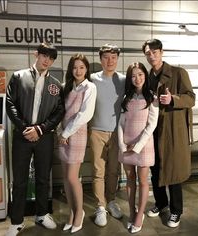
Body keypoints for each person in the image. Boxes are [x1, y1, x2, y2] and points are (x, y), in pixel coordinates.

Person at [6, 43, 65, 236]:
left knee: (42, 178)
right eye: (44, 56)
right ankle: (16, 221)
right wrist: (24, 128)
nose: (47, 60)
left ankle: (42, 214)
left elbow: (59, 111)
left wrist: (40, 129)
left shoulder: (56, 84)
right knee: (20, 180)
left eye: (51, 58)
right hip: (22, 136)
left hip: (44, 137)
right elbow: (10, 103)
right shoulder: (18, 77)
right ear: (36, 54)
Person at [142, 39, 195, 228]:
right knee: (155, 170)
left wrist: (173, 98)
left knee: (173, 171)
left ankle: (176, 211)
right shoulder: (148, 77)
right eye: (148, 53)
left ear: (161, 52)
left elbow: (191, 98)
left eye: (154, 52)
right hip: (154, 130)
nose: (151, 56)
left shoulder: (178, 73)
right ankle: (161, 203)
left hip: (173, 130)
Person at [118, 62, 159, 233]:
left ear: (145, 76)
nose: (137, 78)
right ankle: (132, 211)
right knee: (129, 179)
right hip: (126, 144)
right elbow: (120, 123)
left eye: (140, 74)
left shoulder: (152, 98)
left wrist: (137, 146)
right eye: (133, 75)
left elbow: (151, 125)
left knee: (143, 180)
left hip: (143, 145)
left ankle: (140, 214)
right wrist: (121, 144)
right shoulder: (126, 97)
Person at [58, 53, 97, 233]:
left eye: (82, 67)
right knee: (66, 178)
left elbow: (85, 114)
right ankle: (72, 213)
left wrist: (65, 132)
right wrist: (60, 131)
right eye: (75, 67)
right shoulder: (65, 86)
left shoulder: (90, 87)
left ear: (86, 69)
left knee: (73, 177)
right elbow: (59, 111)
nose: (78, 70)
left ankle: (79, 213)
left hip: (77, 134)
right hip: (63, 135)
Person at [89, 43, 125, 226]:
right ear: (100, 59)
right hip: (96, 132)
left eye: (113, 57)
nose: (110, 61)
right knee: (98, 171)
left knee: (113, 171)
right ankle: (100, 207)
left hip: (117, 133)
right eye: (106, 57)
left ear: (117, 59)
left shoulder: (125, 80)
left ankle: (111, 201)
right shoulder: (92, 79)